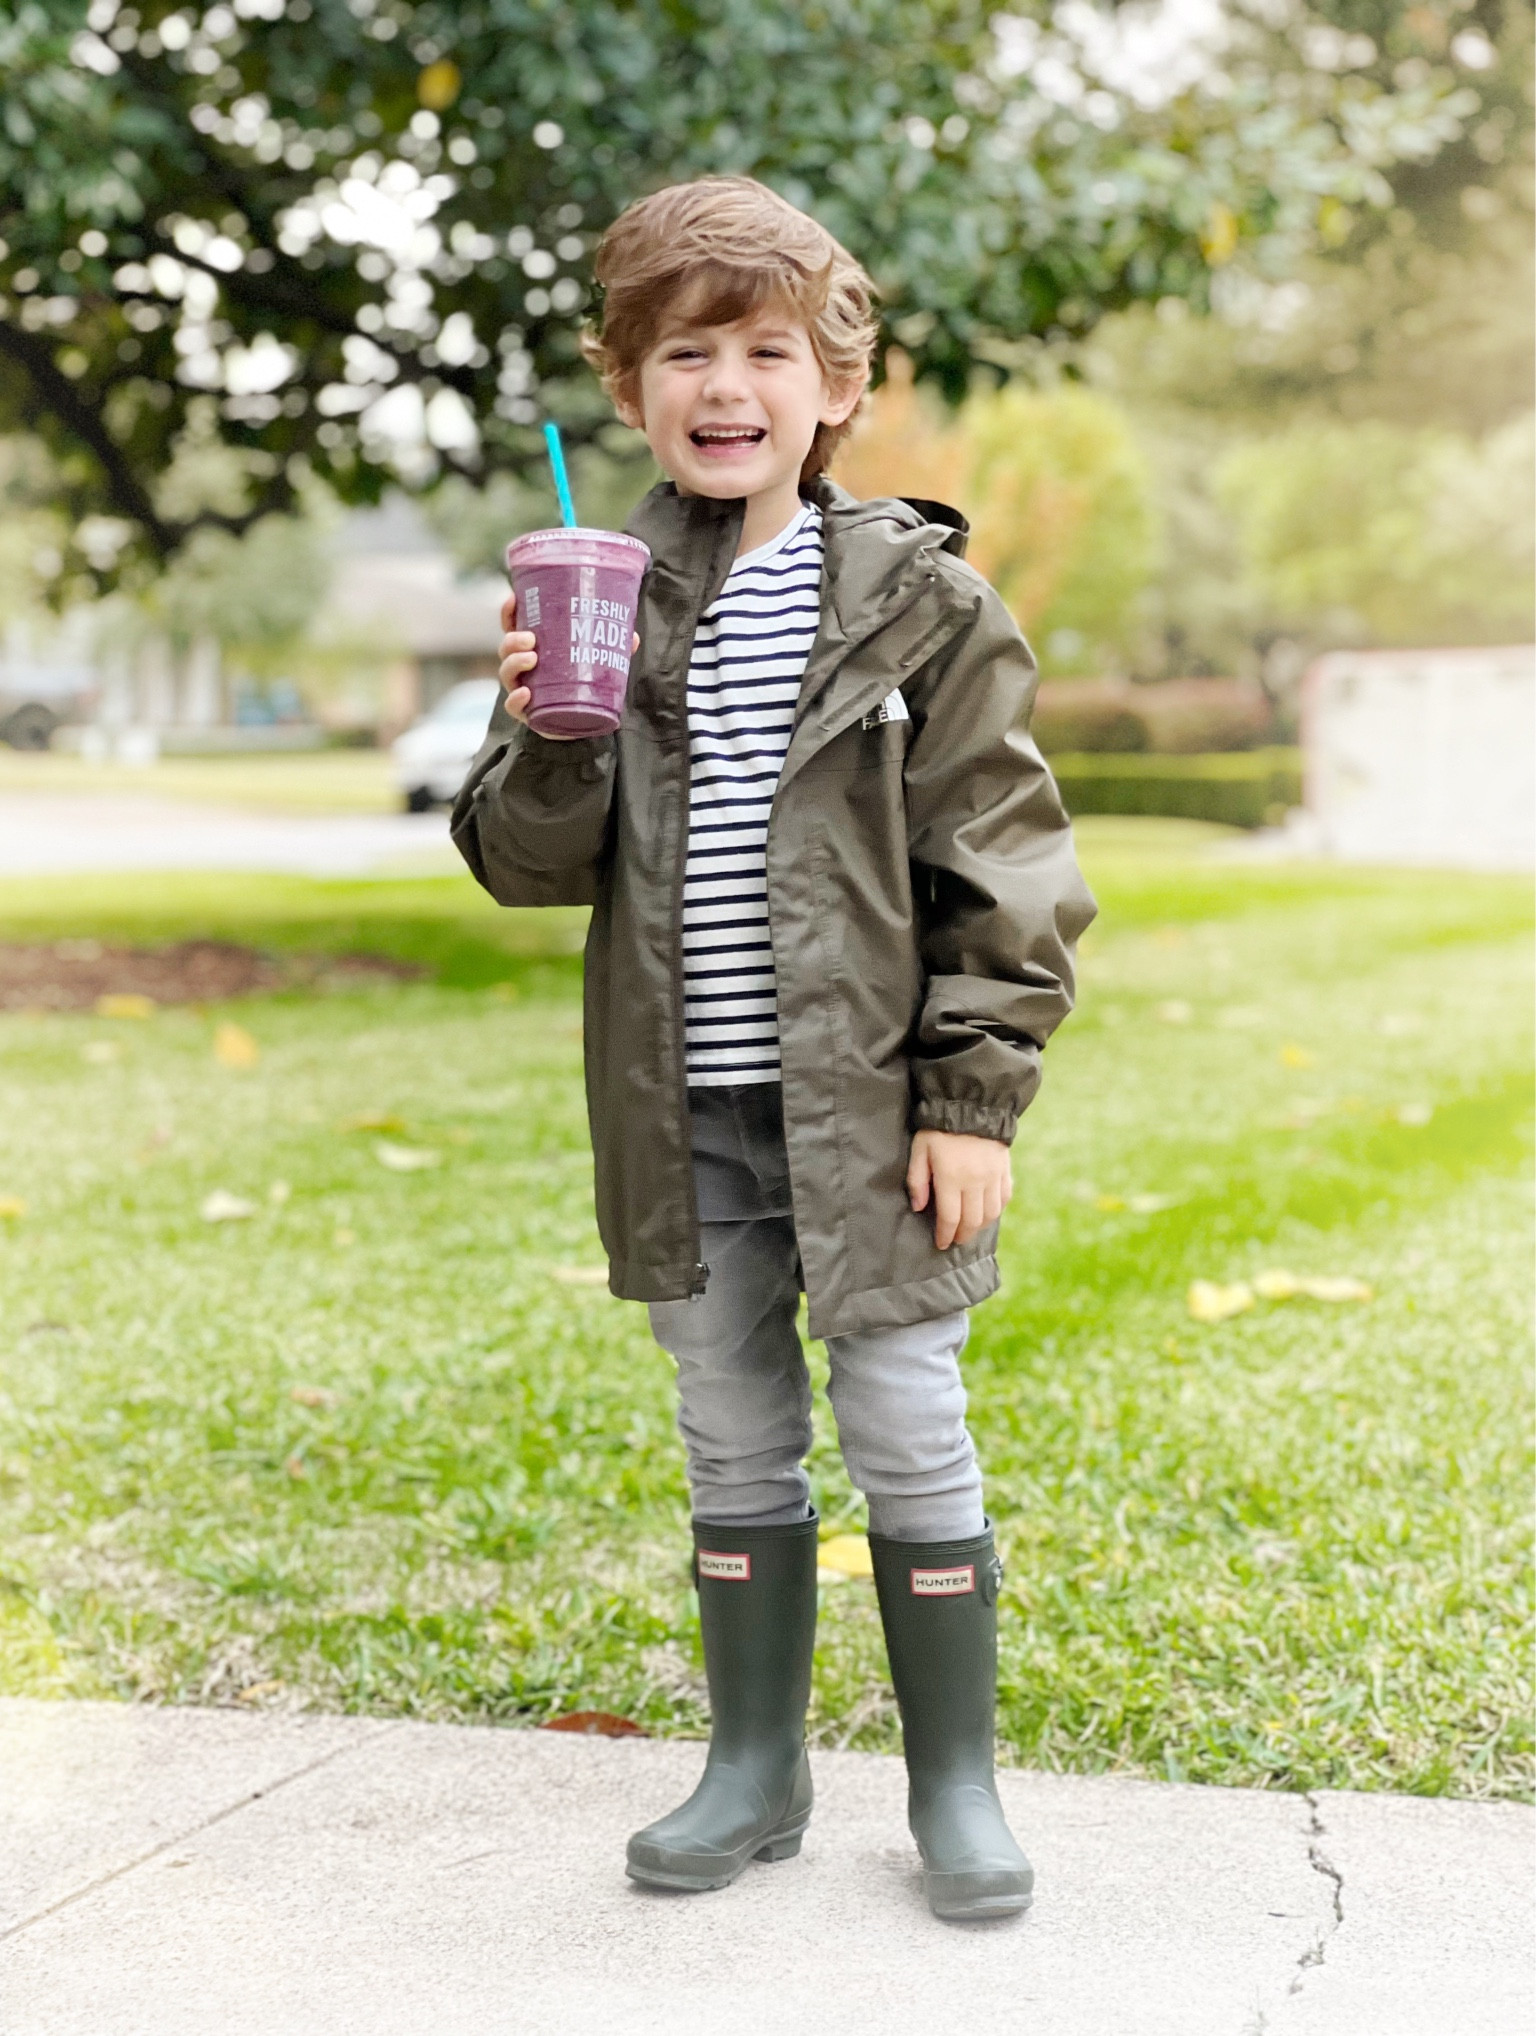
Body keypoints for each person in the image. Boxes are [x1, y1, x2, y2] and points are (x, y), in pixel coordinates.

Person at [452, 176, 1095, 1922]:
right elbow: (523, 870)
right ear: (629, 386)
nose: (724, 386)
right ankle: (757, 1767)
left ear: (836, 389)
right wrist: (551, 739)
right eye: (684, 354)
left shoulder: (923, 606)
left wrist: (971, 1096)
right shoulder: (608, 596)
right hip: (688, 1116)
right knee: (732, 1437)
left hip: (873, 1120)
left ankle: (954, 1783)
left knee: (906, 1425)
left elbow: (1007, 869)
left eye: (762, 350)